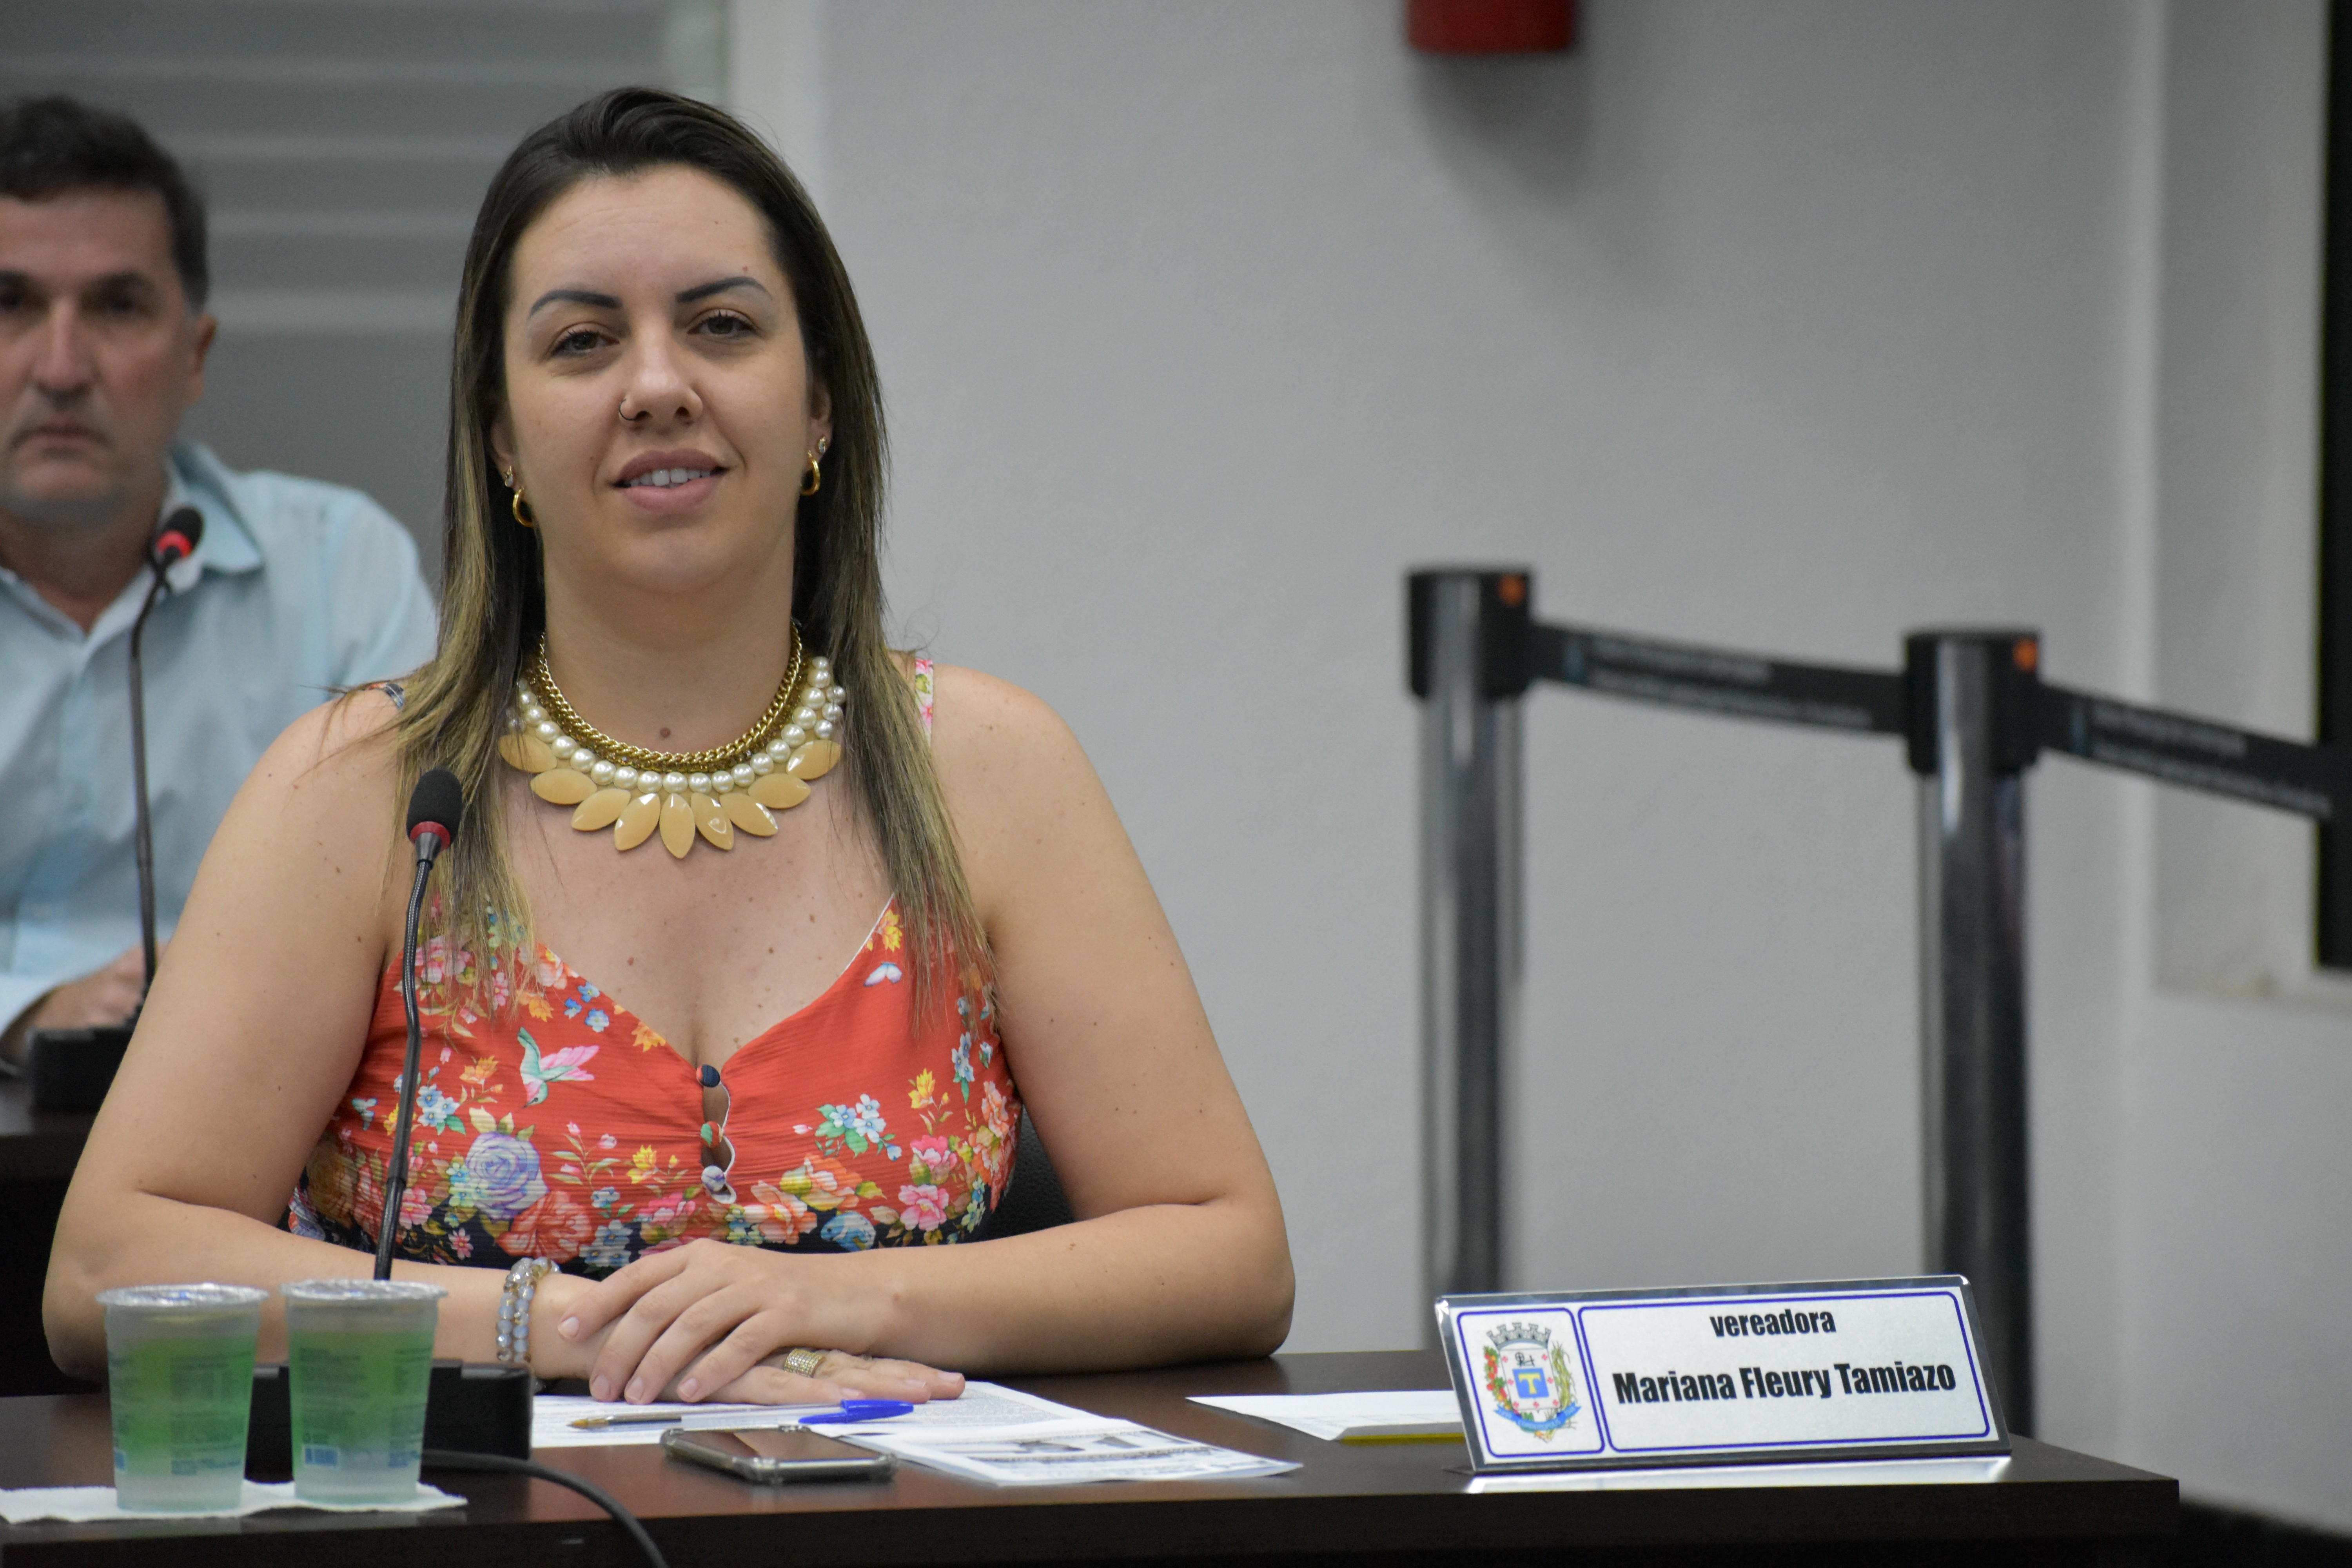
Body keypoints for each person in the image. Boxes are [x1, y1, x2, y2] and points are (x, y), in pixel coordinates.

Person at [46, 88, 1293, 1403]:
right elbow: (106, 1267)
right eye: (583, 342)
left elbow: (1230, 1251)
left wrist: (842, 1299)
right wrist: (569, 1329)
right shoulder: (362, 787)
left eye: (722, 327)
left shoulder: (989, 768)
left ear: (819, 405)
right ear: (502, 437)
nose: (657, 387)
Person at [0, 96, 437, 1064]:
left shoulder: (340, 566)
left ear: (194, 356)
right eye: (11, 304)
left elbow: (420, 903)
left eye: (116, 306)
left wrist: (218, 999)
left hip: (262, 1107)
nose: (61, 368)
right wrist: (26, 1008)